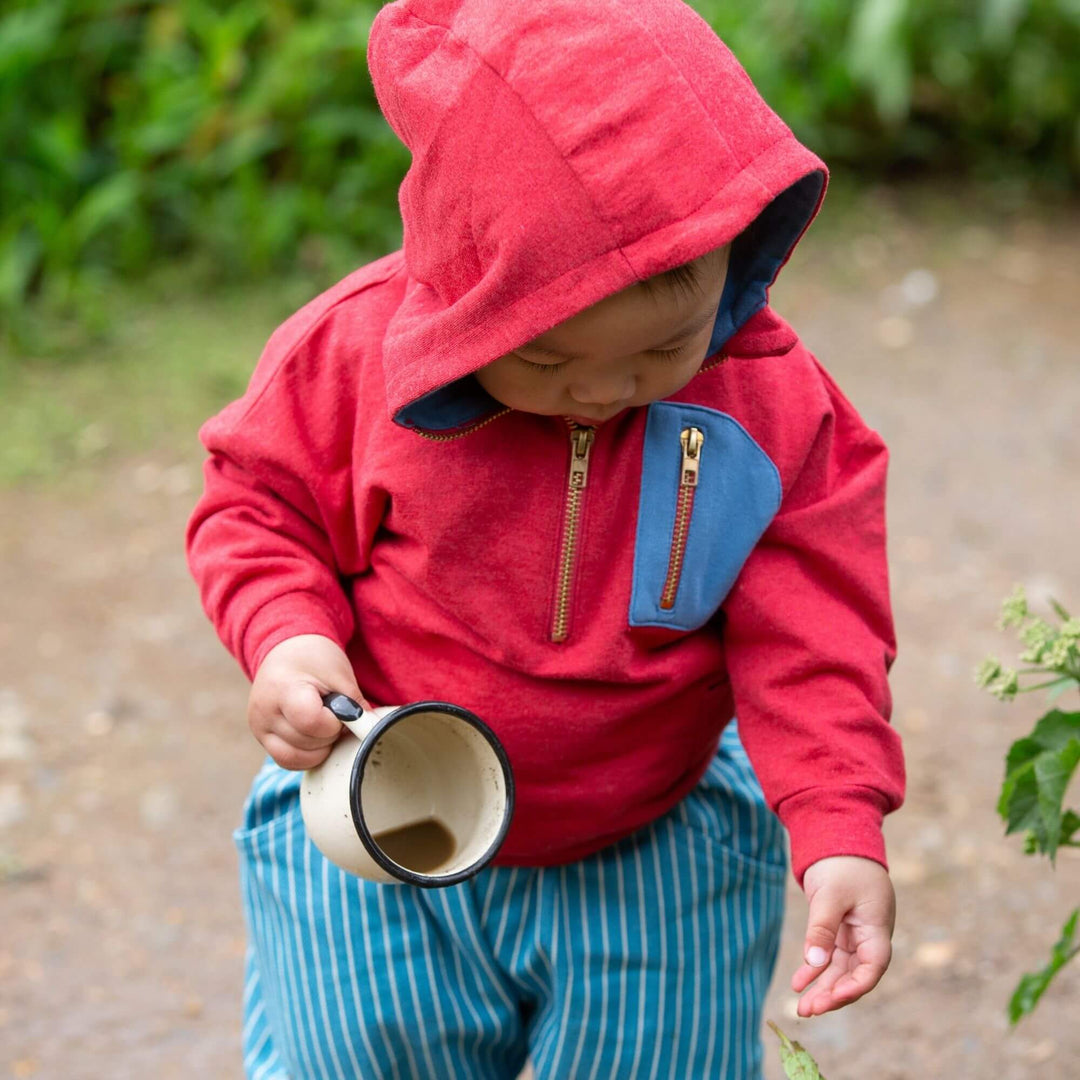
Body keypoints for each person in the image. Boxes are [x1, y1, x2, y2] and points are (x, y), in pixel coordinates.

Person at [186, 0, 906, 1076]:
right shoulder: (351, 361)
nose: (609, 392)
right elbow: (257, 505)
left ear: (733, 255)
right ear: (466, 298)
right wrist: (287, 637)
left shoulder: (767, 405)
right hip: (376, 828)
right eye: (549, 363)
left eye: (664, 346)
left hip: (654, 844)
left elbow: (818, 626)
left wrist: (838, 818)